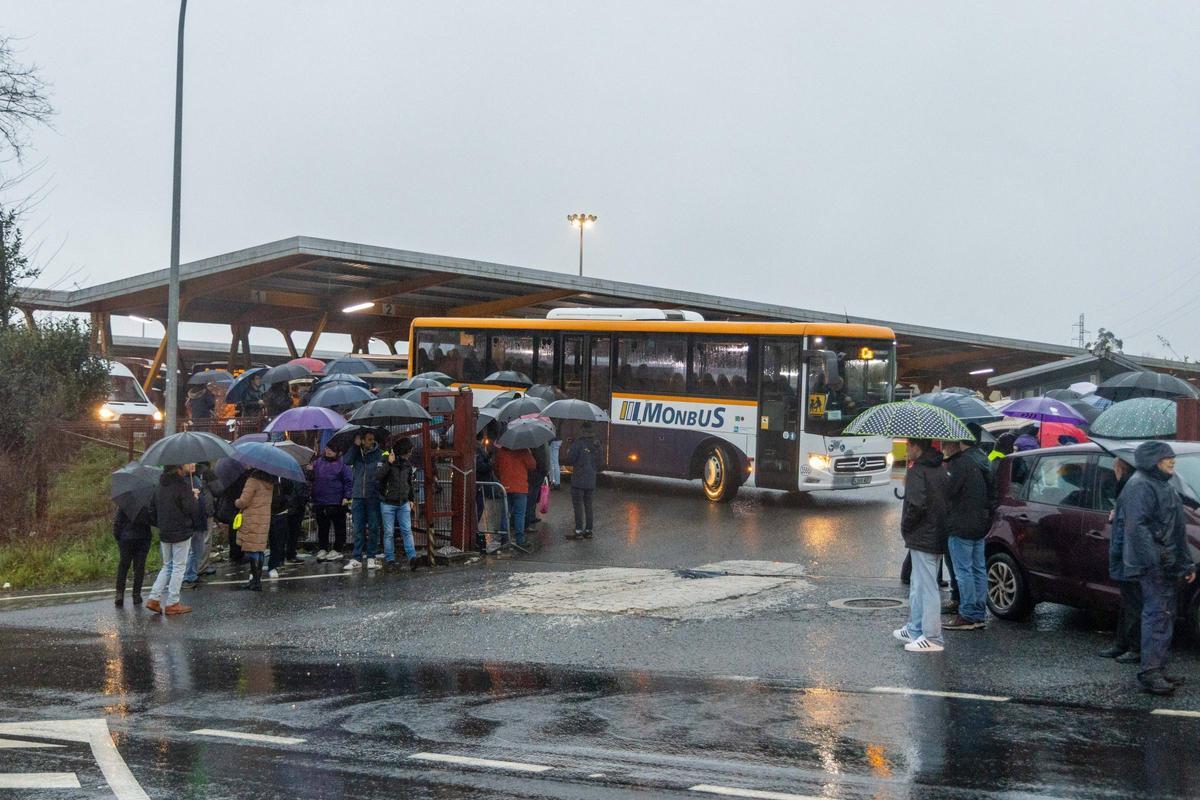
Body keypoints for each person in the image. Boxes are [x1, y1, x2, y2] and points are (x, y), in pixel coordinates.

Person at [1119, 441, 1196, 695]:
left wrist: (1184, 562)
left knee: (1164, 614)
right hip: (1153, 566)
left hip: (1167, 562)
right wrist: (1159, 561)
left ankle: (1158, 667)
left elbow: (1177, 529)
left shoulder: (1162, 483)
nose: (1172, 461)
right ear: (1154, 460)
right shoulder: (1140, 485)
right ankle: (1150, 672)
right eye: (1167, 458)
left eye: (1172, 457)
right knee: (1157, 614)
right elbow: (1137, 529)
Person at [894, 439, 948, 653]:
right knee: (919, 583)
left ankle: (933, 637)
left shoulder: (918, 471)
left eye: (908, 446)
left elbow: (916, 505)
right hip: (936, 532)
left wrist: (906, 527)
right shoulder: (940, 468)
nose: (906, 449)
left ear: (917, 447)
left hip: (923, 535)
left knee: (926, 587)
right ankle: (915, 628)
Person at [940, 439, 991, 631]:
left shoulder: (959, 464)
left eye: (946, 444)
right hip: (980, 522)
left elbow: (949, 493)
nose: (944, 447)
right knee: (978, 568)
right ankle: (979, 612)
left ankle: (968, 614)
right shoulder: (982, 460)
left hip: (961, 524)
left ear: (957, 444)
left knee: (963, 571)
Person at [1101, 457, 1141, 663]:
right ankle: (1122, 643)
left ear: (1121, 467)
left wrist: (1117, 554)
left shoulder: (1130, 487)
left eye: (1115, 465)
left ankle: (1134, 647)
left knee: (1133, 603)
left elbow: (1130, 527)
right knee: (1127, 601)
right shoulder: (1128, 487)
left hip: (1130, 555)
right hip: (1129, 553)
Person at [145, 464, 197, 616]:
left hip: (165, 532)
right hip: (181, 531)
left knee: (167, 566)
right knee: (179, 567)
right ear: (179, 468)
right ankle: (172, 602)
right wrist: (194, 498)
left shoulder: (159, 485)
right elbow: (191, 509)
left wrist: (160, 524)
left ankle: (154, 599)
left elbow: (151, 510)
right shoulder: (183, 486)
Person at [378, 438, 421, 570]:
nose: (411, 452)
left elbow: (409, 483)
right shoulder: (387, 460)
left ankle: (412, 557)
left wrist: (411, 499)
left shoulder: (407, 465)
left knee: (406, 530)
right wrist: (389, 464)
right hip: (388, 502)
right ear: (406, 450)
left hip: (402, 502)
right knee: (389, 532)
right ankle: (390, 559)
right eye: (410, 450)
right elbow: (378, 476)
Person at [344, 432, 384, 570]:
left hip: (373, 496)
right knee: (358, 528)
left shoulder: (380, 454)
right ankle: (357, 557)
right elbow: (346, 461)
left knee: (373, 527)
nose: (371, 442)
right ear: (362, 440)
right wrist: (355, 446)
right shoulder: (356, 453)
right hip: (358, 495)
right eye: (368, 440)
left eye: (373, 439)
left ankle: (371, 556)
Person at [561, 421, 603, 539]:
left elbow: (570, 460)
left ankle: (579, 530)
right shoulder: (597, 444)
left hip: (578, 479)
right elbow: (600, 462)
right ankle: (589, 530)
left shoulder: (578, 443)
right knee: (588, 505)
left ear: (582, 431)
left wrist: (569, 451)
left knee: (578, 506)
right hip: (591, 479)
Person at [234, 469, 274, 591]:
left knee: (252, 549)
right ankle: (256, 580)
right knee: (259, 548)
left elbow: (243, 502)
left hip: (252, 518)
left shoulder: (253, 481)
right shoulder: (270, 482)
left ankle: (255, 581)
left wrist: (236, 502)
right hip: (264, 519)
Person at [311, 445, 351, 561]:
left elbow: (348, 480)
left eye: (331, 449)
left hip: (336, 501)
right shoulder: (317, 462)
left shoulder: (342, 464)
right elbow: (312, 478)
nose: (329, 451)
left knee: (339, 526)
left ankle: (337, 549)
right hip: (320, 501)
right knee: (322, 527)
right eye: (327, 449)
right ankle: (322, 548)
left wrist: (346, 496)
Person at [495, 444, 536, 547]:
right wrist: (529, 453)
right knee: (519, 514)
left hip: (505, 486)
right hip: (520, 487)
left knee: (505, 513)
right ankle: (520, 540)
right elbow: (532, 465)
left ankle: (504, 538)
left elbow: (496, 467)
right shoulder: (523, 450)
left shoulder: (501, 452)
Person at [182, 464, 215, 589]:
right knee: (190, 550)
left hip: (201, 518)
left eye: (193, 462)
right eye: (189, 463)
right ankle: (188, 576)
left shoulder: (196, 479)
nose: (192, 465)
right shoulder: (183, 482)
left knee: (198, 549)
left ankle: (193, 573)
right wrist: (193, 497)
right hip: (191, 522)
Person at [112, 504, 152, 607]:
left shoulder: (124, 505)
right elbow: (152, 520)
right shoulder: (146, 505)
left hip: (125, 538)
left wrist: (118, 537)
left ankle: (119, 594)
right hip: (142, 538)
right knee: (139, 567)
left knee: (123, 565)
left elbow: (117, 522)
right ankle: (136, 595)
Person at [282, 475, 311, 565]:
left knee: (283, 534)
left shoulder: (281, 477)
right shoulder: (299, 478)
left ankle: (281, 556)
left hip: (284, 509)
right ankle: (290, 555)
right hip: (296, 509)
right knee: (293, 534)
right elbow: (302, 495)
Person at [525, 442, 550, 529]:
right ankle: (529, 517)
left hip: (536, 471)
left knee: (532, 495)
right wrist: (545, 470)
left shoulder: (536, 443)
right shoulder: (540, 444)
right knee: (532, 496)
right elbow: (542, 459)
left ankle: (530, 515)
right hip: (537, 472)